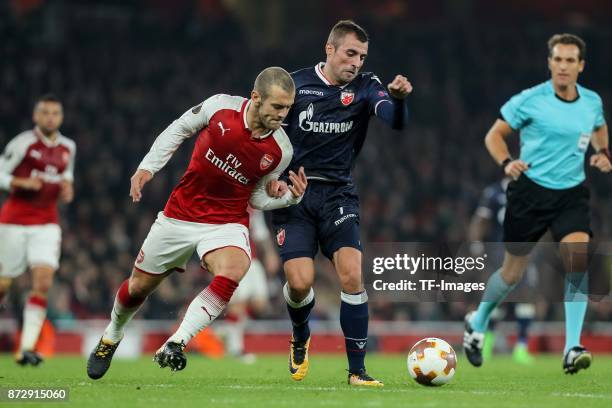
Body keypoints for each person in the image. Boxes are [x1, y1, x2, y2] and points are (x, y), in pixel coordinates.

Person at [86, 67, 307, 380]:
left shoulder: (280, 150)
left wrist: (289, 198)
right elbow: (178, 129)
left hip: (226, 222)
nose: (283, 114)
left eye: (287, 108)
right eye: (277, 106)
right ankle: (111, 336)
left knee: (234, 270)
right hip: (179, 215)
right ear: (256, 98)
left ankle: (176, 342)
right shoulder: (221, 107)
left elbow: (257, 200)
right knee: (137, 289)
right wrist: (148, 167)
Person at [270, 20, 412, 387]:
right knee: (299, 284)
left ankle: (357, 371)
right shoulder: (294, 85)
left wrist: (397, 98)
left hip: (338, 195)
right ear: (329, 49)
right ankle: (300, 336)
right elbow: (265, 136)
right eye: (350, 53)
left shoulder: (366, 88)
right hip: (294, 196)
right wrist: (271, 181)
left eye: (362, 56)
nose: (356, 62)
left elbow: (394, 121)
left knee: (352, 274)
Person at [463, 33, 610, 374]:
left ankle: (572, 347)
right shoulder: (529, 100)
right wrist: (506, 163)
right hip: (529, 193)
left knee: (577, 259)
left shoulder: (592, 102)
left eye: (570, 60)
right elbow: (493, 135)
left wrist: (603, 153)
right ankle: (479, 319)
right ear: (550, 63)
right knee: (512, 274)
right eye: (557, 59)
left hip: (571, 194)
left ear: (580, 66)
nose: (563, 66)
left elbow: (599, 129)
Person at [0, 94, 76, 366]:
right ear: (36, 116)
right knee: (3, 284)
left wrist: (68, 187)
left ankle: (26, 348)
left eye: (55, 113)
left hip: (46, 223)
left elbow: (66, 176)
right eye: (45, 112)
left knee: (42, 282)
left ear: (61, 117)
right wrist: (20, 182)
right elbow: (1, 173)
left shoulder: (68, 147)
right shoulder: (22, 144)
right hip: (14, 221)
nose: (50, 118)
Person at [468, 177, 536, 365]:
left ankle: (521, 348)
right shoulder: (494, 191)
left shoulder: (531, 190)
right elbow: (480, 220)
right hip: (499, 250)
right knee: (497, 298)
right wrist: (476, 246)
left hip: (523, 249)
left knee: (525, 297)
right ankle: (487, 342)